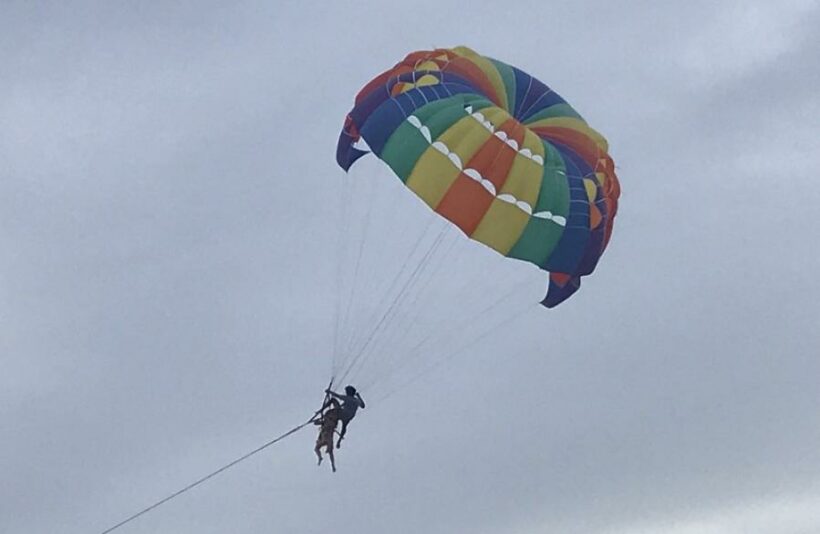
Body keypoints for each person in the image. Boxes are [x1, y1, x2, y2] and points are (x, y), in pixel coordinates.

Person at [314, 398, 341, 472]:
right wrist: (317, 421)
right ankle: (320, 458)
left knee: (330, 452)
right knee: (317, 448)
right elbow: (316, 423)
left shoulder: (333, 419)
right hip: (324, 436)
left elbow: (334, 402)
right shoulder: (326, 419)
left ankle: (331, 464)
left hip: (327, 436)